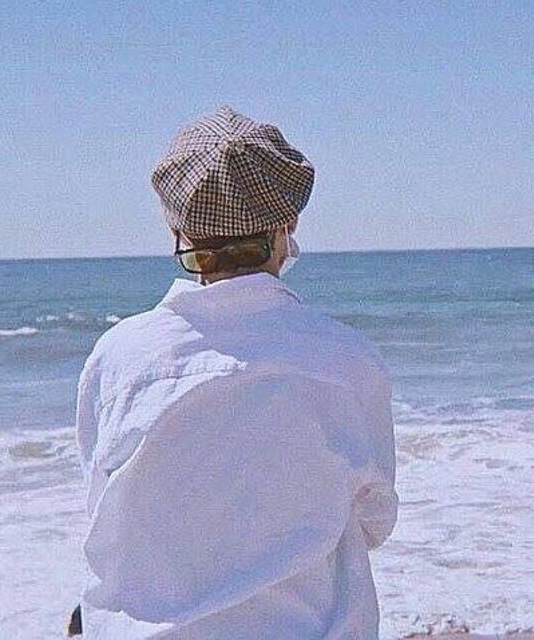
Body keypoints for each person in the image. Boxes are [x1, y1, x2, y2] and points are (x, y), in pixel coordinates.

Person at [74, 105, 398, 639]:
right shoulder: (347, 360)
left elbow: (103, 517)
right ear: (290, 223)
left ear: (177, 229)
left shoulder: (119, 357)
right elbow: (375, 519)